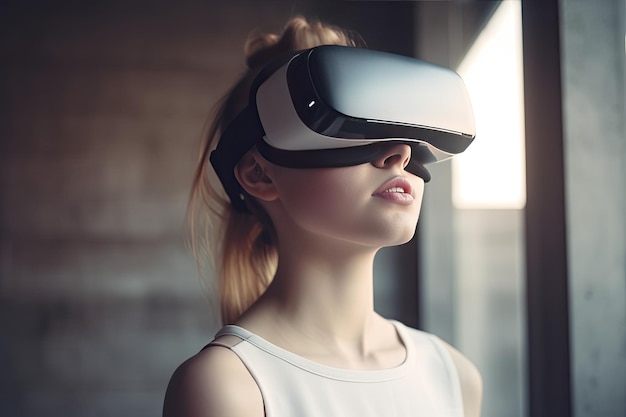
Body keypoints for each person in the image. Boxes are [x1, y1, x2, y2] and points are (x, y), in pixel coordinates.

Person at [163, 16, 482, 417]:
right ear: (259, 173)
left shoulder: (455, 376)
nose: (400, 152)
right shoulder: (226, 387)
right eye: (346, 127)